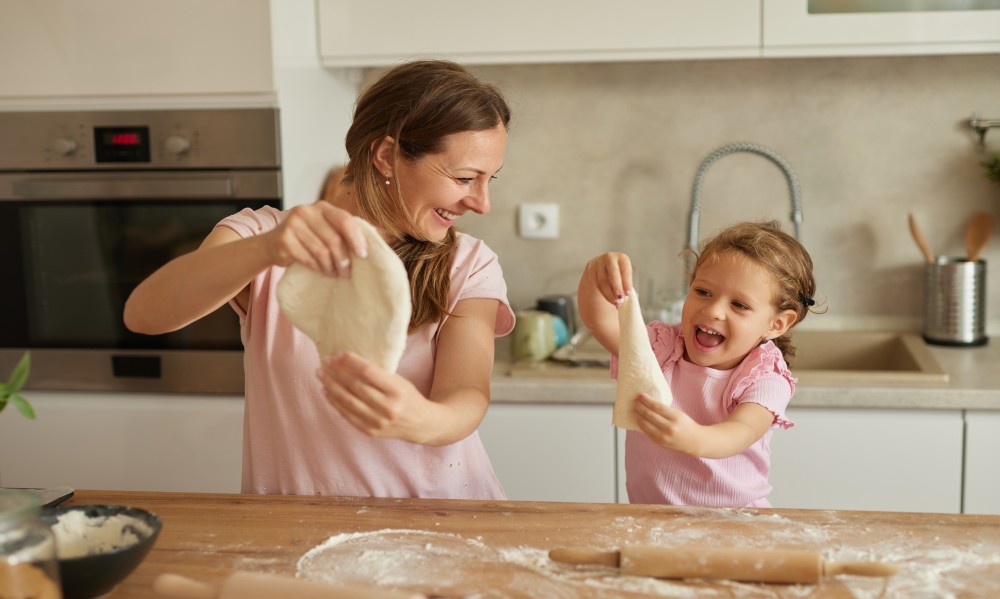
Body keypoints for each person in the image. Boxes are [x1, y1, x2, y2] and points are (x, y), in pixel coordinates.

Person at [123, 60, 515, 499]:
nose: (482, 203)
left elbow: (466, 394)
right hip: (296, 531)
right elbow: (144, 316)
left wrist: (419, 419)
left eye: (488, 180)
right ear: (386, 155)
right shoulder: (263, 237)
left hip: (440, 522)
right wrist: (268, 250)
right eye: (466, 178)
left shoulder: (469, 263)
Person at [577, 220, 820, 507]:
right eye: (703, 292)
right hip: (650, 518)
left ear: (776, 323)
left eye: (739, 305)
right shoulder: (662, 347)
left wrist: (693, 438)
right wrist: (595, 274)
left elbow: (741, 431)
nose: (713, 310)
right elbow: (602, 324)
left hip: (737, 524)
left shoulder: (765, 377)